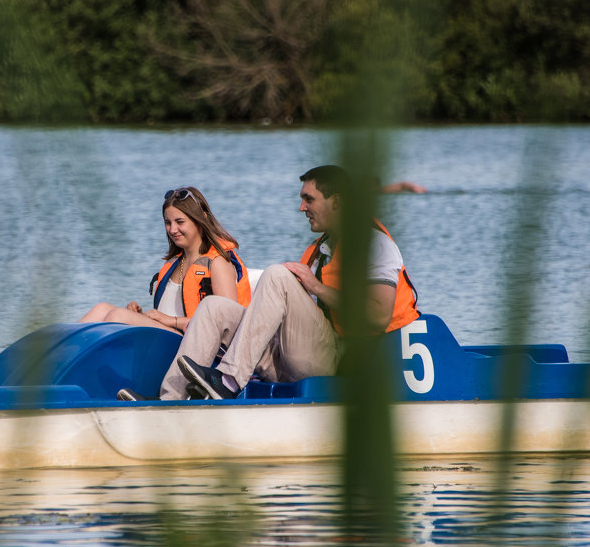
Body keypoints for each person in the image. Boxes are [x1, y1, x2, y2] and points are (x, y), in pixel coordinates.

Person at [134, 165, 419, 401]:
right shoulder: (320, 250)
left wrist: (316, 287)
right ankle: (169, 401)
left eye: (309, 199)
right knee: (213, 307)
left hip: (340, 361)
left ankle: (229, 382)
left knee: (277, 275)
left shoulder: (374, 245)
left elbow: (378, 315)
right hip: (296, 355)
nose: (301, 207)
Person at [79, 186, 251, 334]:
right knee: (101, 309)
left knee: (117, 317)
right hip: (167, 335)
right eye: (168, 222)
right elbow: (167, 313)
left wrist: (170, 320)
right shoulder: (176, 263)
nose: (173, 229)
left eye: (180, 222)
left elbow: (228, 322)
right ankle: (60, 358)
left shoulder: (218, 263)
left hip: (195, 344)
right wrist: (140, 315)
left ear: (201, 220)